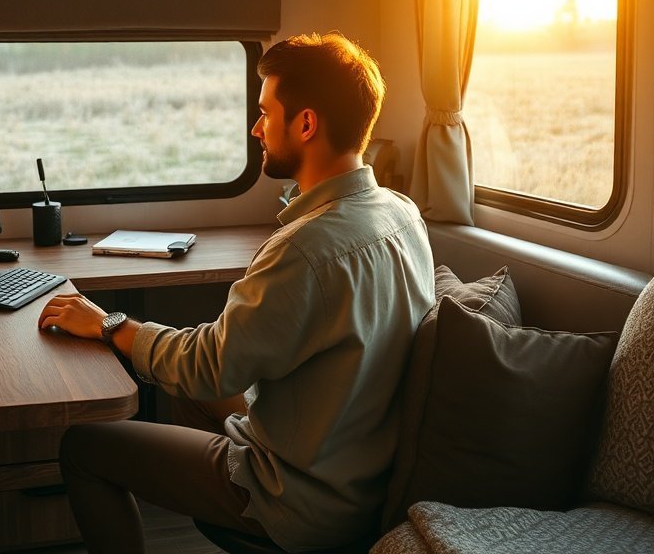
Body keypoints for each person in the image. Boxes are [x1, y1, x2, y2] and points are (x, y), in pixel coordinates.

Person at [37, 32, 434, 553]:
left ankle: (245, 512)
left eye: (266, 113)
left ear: (306, 123)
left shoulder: (304, 249)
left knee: (83, 447)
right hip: (357, 470)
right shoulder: (402, 214)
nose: (256, 128)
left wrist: (111, 326)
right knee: (190, 394)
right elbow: (221, 363)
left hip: (301, 498)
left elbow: (208, 366)